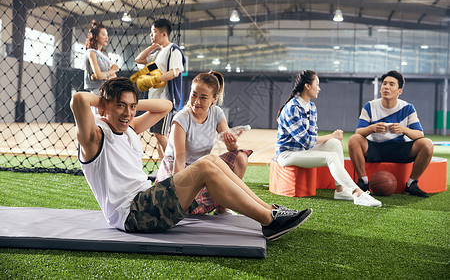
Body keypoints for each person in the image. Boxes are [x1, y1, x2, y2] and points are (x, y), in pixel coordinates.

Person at [70, 77, 313, 241]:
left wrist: (127, 102)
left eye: (132, 107)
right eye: (120, 106)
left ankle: (271, 210)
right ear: (103, 108)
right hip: (132, 214)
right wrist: (106, 102)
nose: (128, 113)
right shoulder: (95, 138)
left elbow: (165, 105)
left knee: (215, 161)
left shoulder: (129, 128)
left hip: (149, 200)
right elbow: (79, 100)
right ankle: (268, 221)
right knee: (206, 165)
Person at [276, 70, 382, 207]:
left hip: (302, 150)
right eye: (317, 84)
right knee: (331, 156)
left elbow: (312, 137)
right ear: (307, 86)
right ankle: (357, 193)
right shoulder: (292, 108)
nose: (319, 88)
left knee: (334, 144)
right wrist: (331, 135)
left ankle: (340, 190)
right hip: (288, 154)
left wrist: (332, 138)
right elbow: (307, 142)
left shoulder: (312, 107)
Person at [156, 71, 252, 215]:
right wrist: (181, 194)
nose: (196, 101)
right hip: (179, 169)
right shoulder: (181, 118)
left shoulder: (217, 113)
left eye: (203, 97)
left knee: (240, 157)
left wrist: (232, 142)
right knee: (187, 209)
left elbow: (232, 149)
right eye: (194, 94)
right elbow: (179, 162)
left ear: (214, 99)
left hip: (202, 168)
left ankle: (222, 208)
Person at [348, 70, 433, 197]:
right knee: (354, 139)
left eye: (391, 84)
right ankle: (363, 183)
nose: (386, 87)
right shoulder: (370, 106)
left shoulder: (408, 108)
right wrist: (372, 128)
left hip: (400, 149)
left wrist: (403, 130)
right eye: (384, 84)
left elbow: (419, 134)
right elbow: (358, 132)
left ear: (400, 91)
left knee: (427, 144)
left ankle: (411, 184)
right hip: (375, 148)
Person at [133, 18, 185, 160]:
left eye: (154, 32)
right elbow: (138, 59)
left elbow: (174, 72)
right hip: (154, 99)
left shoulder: (173, 50)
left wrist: (155, 79)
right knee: (157, 135)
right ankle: (164, 167)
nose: (151, 35)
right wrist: (153, 46)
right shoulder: (158, 53)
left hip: (166, 100)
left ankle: (173, 163)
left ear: (163, 33)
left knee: (160, 134)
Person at [83, 20, 119, 95]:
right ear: (96, 37)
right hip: (97, 93)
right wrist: (112, 71)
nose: (107, 37)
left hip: (107, 91)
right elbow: (98, 75)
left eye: (107, 35)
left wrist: (104, 75)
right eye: (103, 35)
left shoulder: (102, 55)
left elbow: (114, 76)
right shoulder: (91, 53)